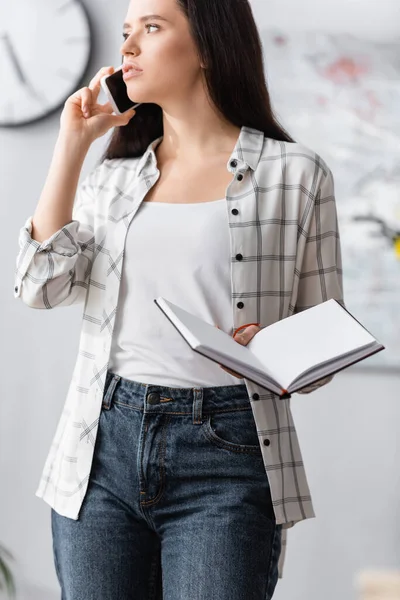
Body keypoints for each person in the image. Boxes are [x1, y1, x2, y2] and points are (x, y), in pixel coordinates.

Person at [14, 0, 344, 598]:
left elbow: (324, 337)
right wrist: (73, 143)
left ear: (209, 47)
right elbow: (40, 289)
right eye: (126, 32)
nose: (129, 47)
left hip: (229, 449)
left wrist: (273, 346)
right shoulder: (110, 178)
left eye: (153, 28)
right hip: (100, 447)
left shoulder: (296, 174)